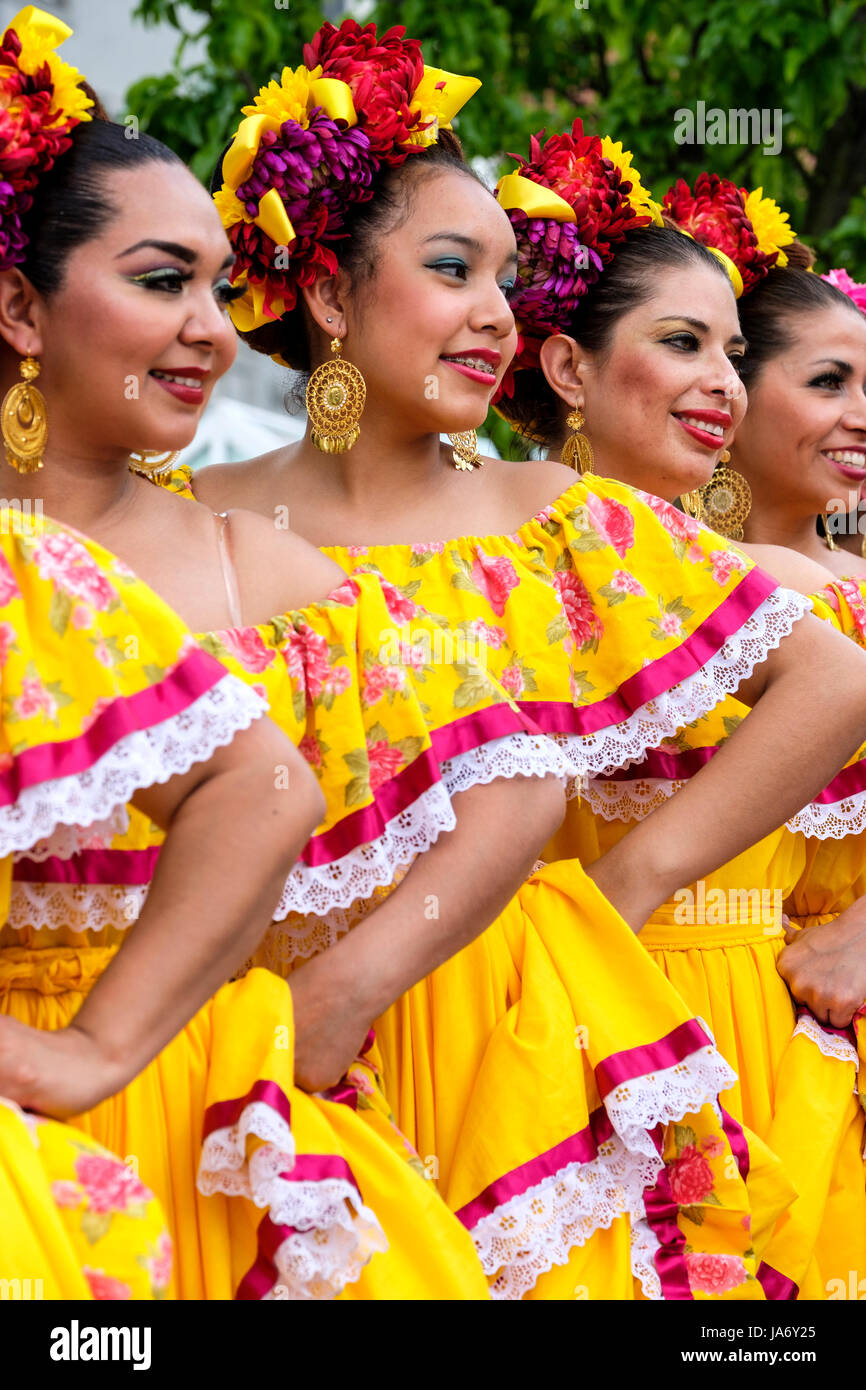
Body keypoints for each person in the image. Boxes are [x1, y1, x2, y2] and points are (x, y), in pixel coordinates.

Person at [193, 20, 866, 1298]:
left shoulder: (541, 517)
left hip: (505, 1039)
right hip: (270, 1040)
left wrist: (618, 891)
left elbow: (831, 678)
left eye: (504, 278)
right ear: (330, 292)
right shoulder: (199, 515)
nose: (495, 314)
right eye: (453, 269)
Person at [0, 7, 565, 1301]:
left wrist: (336, 991)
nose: (209, 325)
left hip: (200, 1123)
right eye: (161, 282)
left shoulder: (256, 572)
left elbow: (514, 783)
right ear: (22, 306)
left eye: (213, 283)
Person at [497, 142, 866, 1296]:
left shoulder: (804, 598)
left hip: (739, 1019)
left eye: (731, 354)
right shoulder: (480, 570)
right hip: (526, 1018)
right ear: (565, 366)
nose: (719, 381)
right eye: (684, 345)